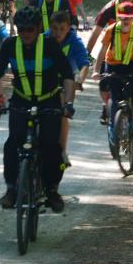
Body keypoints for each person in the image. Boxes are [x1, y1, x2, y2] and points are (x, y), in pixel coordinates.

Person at [0, 7, 75, 213]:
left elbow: (68, 76)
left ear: (38, 28)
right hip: (21, 100)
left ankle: (52, 189)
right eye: (21, 29)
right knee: (12, 144)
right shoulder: (10, 45)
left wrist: (68, 103)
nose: (25, 34)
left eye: (30, 29)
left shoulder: (50, 44)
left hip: (49, 101)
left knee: (51, 145)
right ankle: (11, 189)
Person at [95, 3, 133, 144]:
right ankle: (113, 129)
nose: (125, 20)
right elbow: (102, 51)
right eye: (122, 17)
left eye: (128, 17)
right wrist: (96, 71)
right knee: (115, 98)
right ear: (118, 17)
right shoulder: (111, 30)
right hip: (113, 66)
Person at [47, 10, 89, 168]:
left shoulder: (75, 42)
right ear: (50, 27)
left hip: (66, 82)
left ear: (68, 28)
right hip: (44, 80)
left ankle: (62, 151)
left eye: (62, 29)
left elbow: (84, 64)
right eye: (55, 28)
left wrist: (80, 80)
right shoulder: (43, 38)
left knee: (63, 112)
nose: (58, 32)